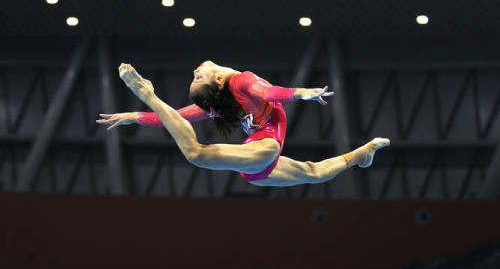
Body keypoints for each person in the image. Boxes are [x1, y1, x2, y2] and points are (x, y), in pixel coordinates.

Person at [96, 61, 390, 187]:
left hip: (261, 155)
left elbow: (267, 93)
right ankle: (359, 156)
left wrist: (297, 93)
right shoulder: (233, 88)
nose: (197, 70)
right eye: (198, 77)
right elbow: (178, 117)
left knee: (197, 154)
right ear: (219, 81)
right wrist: (135, 116)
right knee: (312, 173)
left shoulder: (237, 84)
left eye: (197, 76)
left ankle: (361, 154)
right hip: (259, 158)